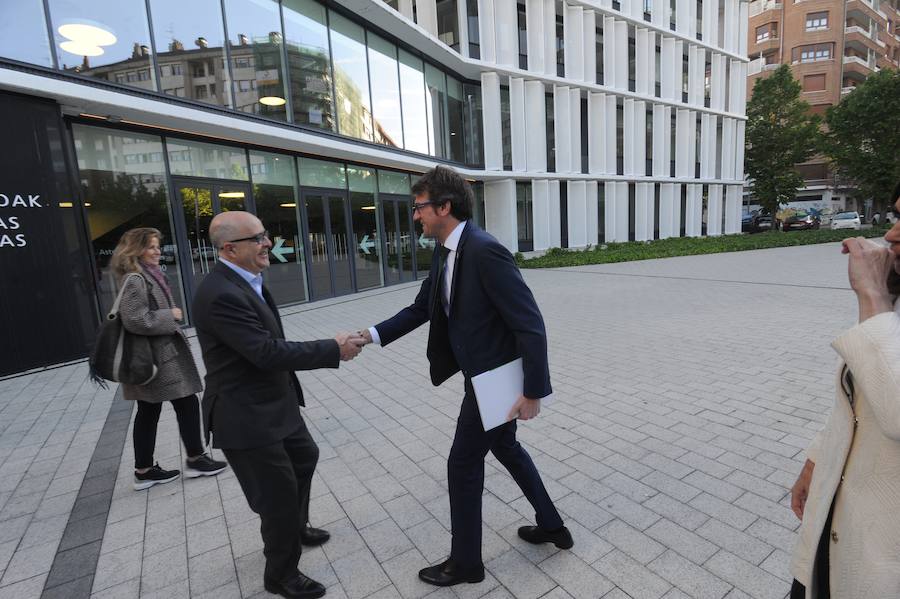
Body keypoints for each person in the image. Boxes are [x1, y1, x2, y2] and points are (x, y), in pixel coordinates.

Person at [358, 166, 572, 587]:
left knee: (463, 463)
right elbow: (422, 309)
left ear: (444, 206)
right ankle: (552, 526)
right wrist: (368, 336)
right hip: (481, 376)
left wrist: (532, 392)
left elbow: (530, 324)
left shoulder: (484, 250)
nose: (415, 216)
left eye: (419, 207)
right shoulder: (444, 250)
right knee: (506, 448)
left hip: (496, 380)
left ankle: (467, 563)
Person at [192, 211, 364, 599]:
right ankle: (281, 575)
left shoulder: (247, 280)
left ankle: (295, 528)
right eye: (258, 238)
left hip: (275, 405)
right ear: (230, 249)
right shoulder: (219, 294)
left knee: (305, 458)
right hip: (246, 416)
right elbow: (264, 352)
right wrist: (331, 349)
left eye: (265, 234)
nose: (268, 242)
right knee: (277, 497)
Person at [788, 180, 900, 598]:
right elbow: (859, 397)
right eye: (897, 217)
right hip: (840, 531)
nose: (890, 235)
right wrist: (817, 460)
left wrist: (872, 297)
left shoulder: (882, 308)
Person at [109, 228, 228, 491]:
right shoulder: (135, 279)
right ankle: (194, 460)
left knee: (151, 410)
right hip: (155, 357)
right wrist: (170, 315)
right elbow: (135, 319)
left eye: (157, 246)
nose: (157, 251)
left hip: (157, 355)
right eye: (151, 246)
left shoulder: (147, 275)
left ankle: (146, 470)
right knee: (184, 402)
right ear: (137, 249)